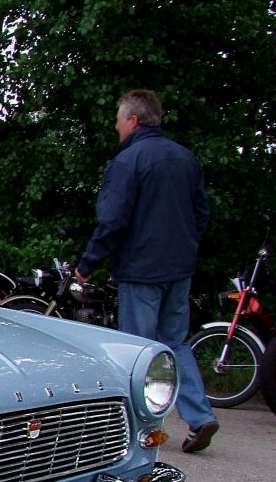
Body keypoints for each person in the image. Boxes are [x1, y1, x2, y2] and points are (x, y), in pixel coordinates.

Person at [75, 89, 218, 453]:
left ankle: (135, 431)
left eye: (119, 121)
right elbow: (201, 213)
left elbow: (113, 219)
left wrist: (89, 263)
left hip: (141, 269)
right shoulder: (186, 159)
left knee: (137, 352)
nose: (117, 128)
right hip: (179, 268)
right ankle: (200, 416)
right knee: (175, 343)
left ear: (133, 121)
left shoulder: (129, 161)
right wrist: (185, 245)